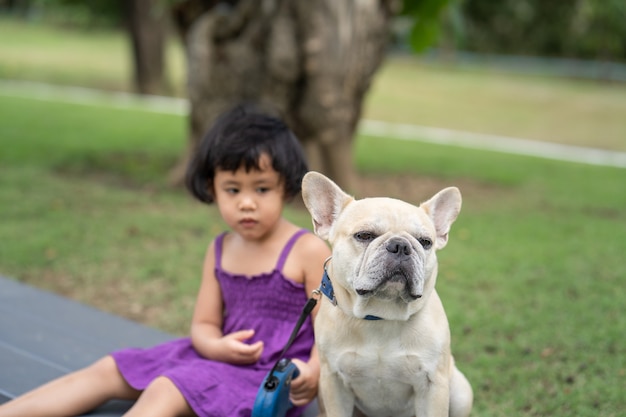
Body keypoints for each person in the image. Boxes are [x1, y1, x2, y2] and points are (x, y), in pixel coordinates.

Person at [0, 105, 331, 417]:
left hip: (269, 379)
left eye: (261, 189)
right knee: (109, 369)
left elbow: (331, 326)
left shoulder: (306, 250)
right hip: (213, 358)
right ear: (212, 189)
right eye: (232, 190)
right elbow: (203, 325)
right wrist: (216, 347)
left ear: (285, 188)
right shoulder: (220, 249)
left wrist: (313, 370)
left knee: (166, 388)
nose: (246, 203)